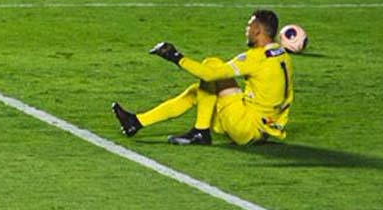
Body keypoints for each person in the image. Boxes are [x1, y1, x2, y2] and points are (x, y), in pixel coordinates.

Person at [111, 9, 294, 146]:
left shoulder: (256, 59)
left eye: (249, 26)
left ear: (257, 31)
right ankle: (136, 122)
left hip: (247, 127)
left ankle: (201, 131)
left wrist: (176, 57)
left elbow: (210, 74)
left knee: (210, 67)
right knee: (199, 90)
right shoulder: (281, 54)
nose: (246, 30)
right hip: (268, 126)